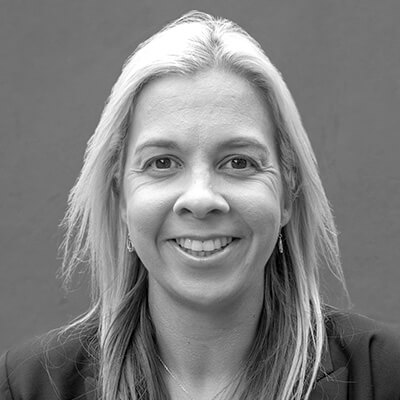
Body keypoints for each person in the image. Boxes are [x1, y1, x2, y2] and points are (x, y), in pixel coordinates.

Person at [1, 11, 399, 400]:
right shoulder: (27, 387)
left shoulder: (386, 377)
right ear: (121, 195)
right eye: (162, 163)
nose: (201, 199)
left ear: (287, 193)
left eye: (239, 162)